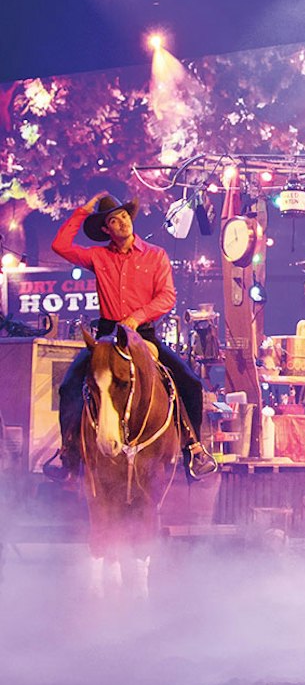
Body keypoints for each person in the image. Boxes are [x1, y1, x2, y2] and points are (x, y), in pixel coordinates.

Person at [50, 178, 214, 481]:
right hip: (107, 335)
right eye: (114, 219)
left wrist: (138, 317)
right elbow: (59, 245)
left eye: (124, 216)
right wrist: (83, 211)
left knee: (189, 383)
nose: (122, 222)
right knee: (69, 384)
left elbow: (167, 296)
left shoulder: (155, 255)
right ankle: (67, 451)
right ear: (106, 229)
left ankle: (193, 448)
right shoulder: (97, 257)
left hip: (143, 333)